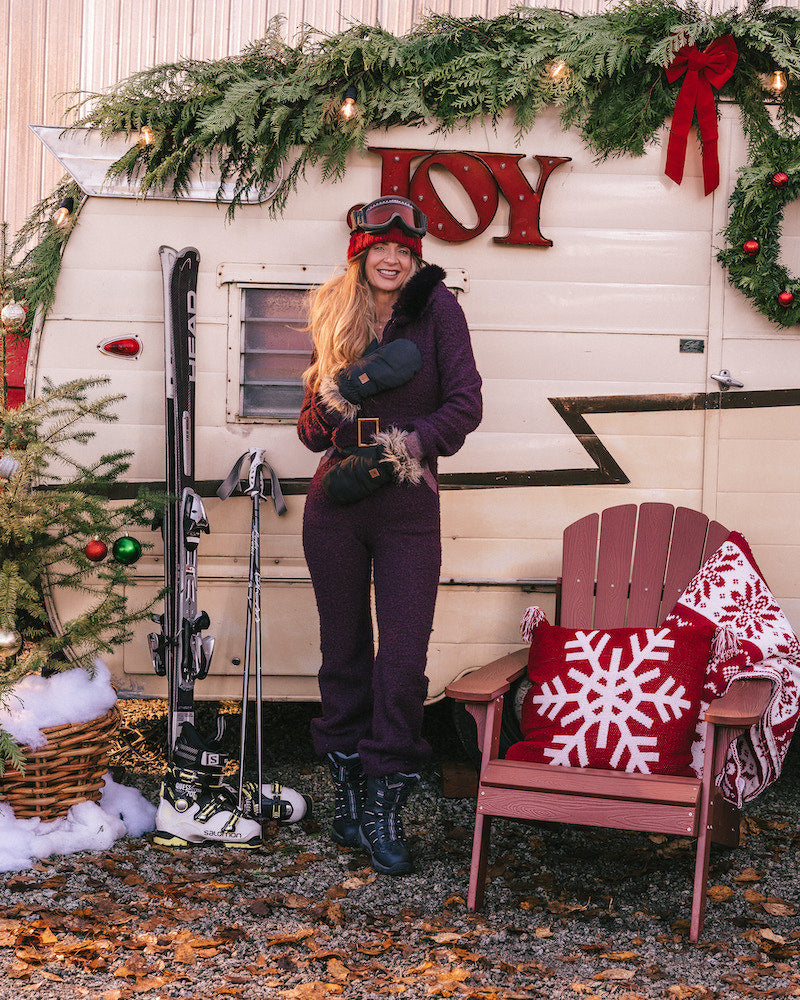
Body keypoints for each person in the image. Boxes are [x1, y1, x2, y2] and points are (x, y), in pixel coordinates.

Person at [297, 195, 482, 876]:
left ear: (417, 256)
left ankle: (385, 800)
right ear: (360, 250)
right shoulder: (333, 311)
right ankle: (347, 789)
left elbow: (465, 404)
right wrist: (335, 399)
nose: (394, 257)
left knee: (401, 662)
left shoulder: (439, 312)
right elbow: (311, 428)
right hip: (337, 500)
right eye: (382, 246)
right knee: (341, 653)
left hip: (406, 500)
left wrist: (406, 447)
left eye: (406, 248)